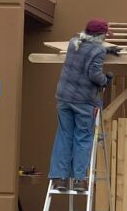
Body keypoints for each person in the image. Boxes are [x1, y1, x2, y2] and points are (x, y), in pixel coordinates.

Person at [48, 19, 120, 192]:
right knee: (83, 137)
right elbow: (94, 75)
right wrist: (106, 80)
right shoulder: (97, 51)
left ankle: (60, 179)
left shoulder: (74, 43)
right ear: (100, 35)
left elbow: (87, 52)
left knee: (65, 135)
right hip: (83, 102)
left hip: (64, 98)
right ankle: (80, 180)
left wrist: (105, 49)